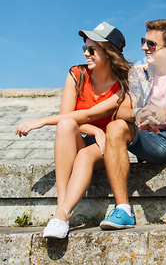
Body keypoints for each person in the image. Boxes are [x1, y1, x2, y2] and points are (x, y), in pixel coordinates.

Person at [15, 21, 130, 238]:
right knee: (66, 123)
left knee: (85, 154)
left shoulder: (124, 83)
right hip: (89, 136)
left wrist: (41, 121)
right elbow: (69, 117)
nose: (86, 53)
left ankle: (62, 215)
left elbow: (91, 113)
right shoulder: (77, 74)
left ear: (109, 52)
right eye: (84, 48)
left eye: (92, 49)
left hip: (108, 144)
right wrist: (96, 131)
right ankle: (60, 211)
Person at [99, 19, 166, 231]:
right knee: (115, 127)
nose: (143, 47)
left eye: (151, 44)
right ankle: (122, 209)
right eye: (144, 41)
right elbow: (121, 110)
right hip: (152, 139)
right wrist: (140, 114)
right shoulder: (139, 72)